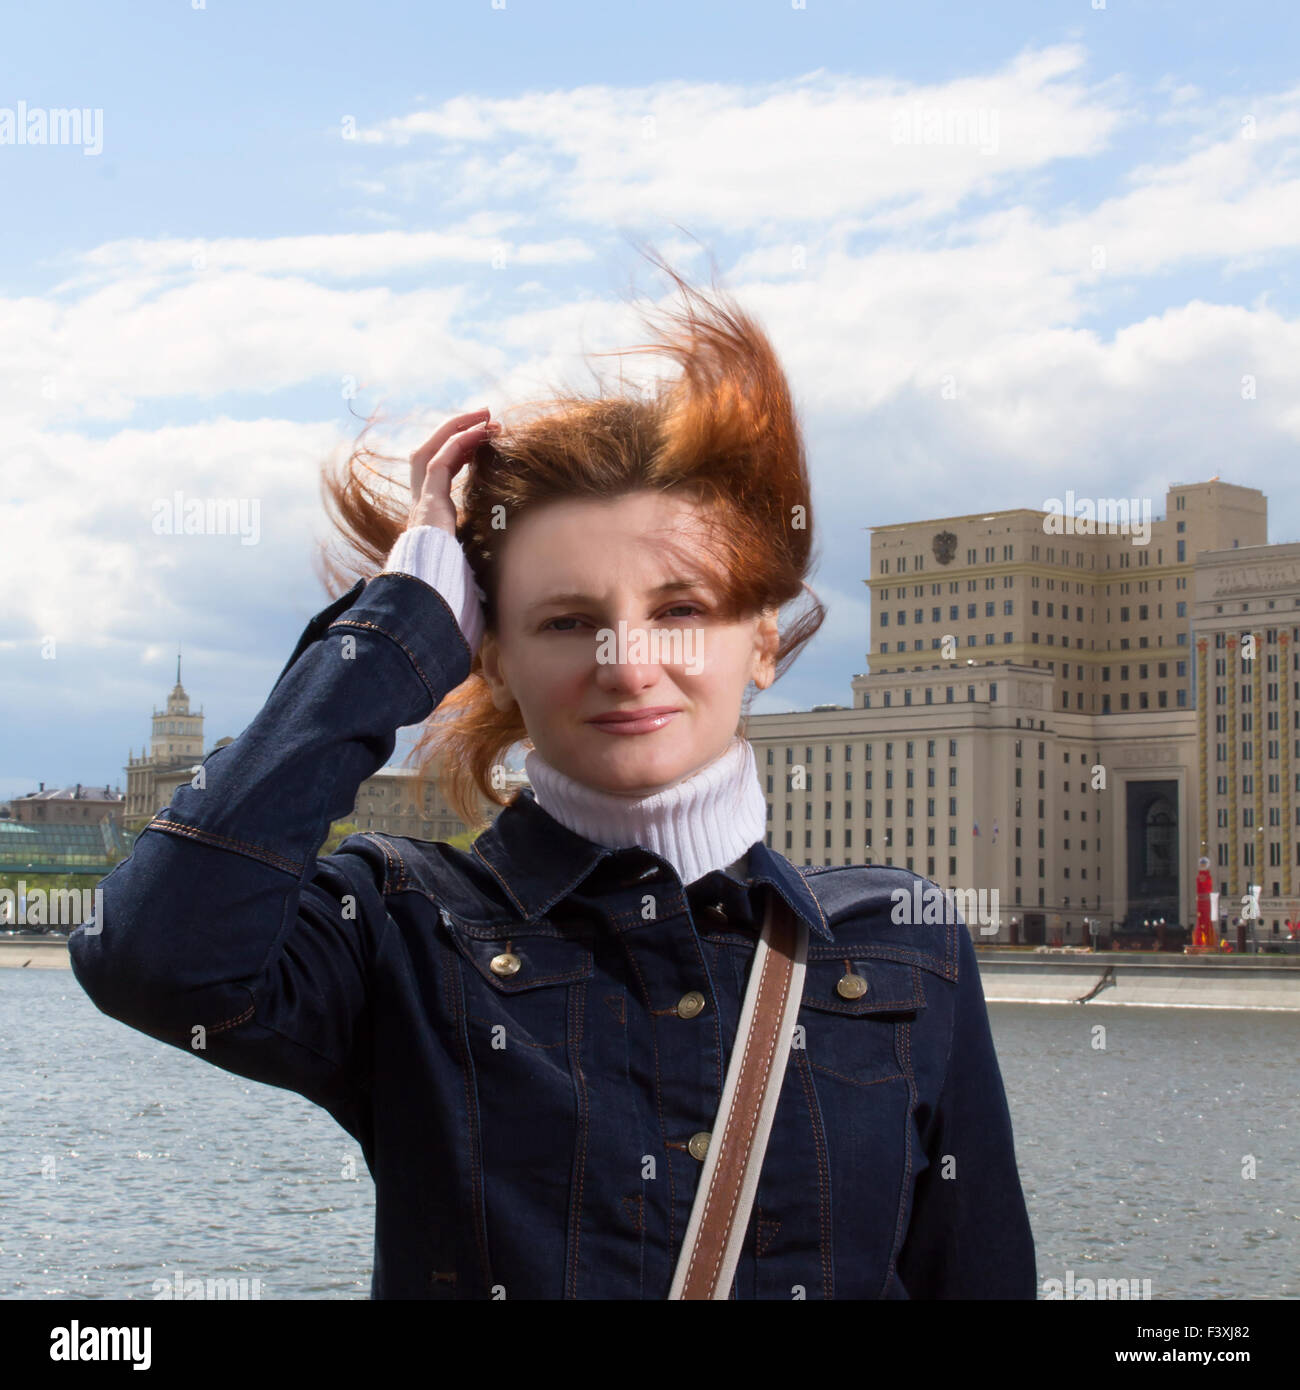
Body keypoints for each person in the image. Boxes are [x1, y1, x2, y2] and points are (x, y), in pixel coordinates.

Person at [70, 256, 1036, 1300]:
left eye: (680, 609)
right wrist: (399, 624)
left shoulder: (903, 939)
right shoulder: (403, 930)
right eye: (566, 620)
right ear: (491, 653)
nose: (627, 663)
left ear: (761, 637)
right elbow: (154, 955)